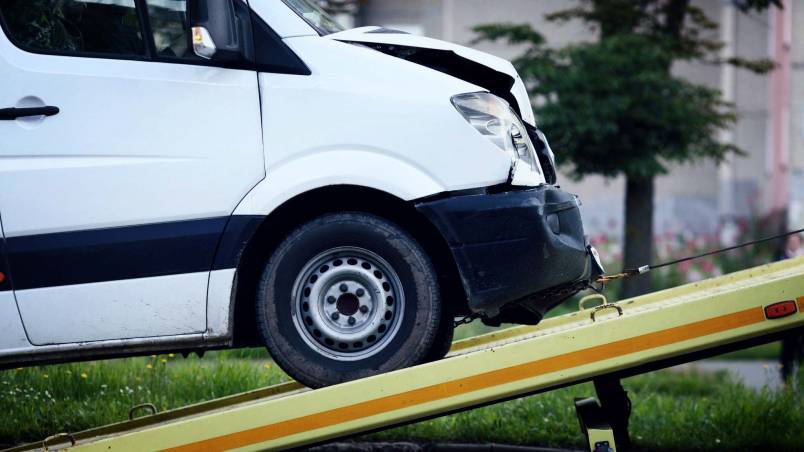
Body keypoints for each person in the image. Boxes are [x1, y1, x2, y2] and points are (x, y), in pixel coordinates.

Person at [777, 233, 803, 381]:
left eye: (796, 241)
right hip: (786, 309)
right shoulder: (780, 259)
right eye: (791, 241)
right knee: (788, 349)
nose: (793, 243)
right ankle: (785, 380)